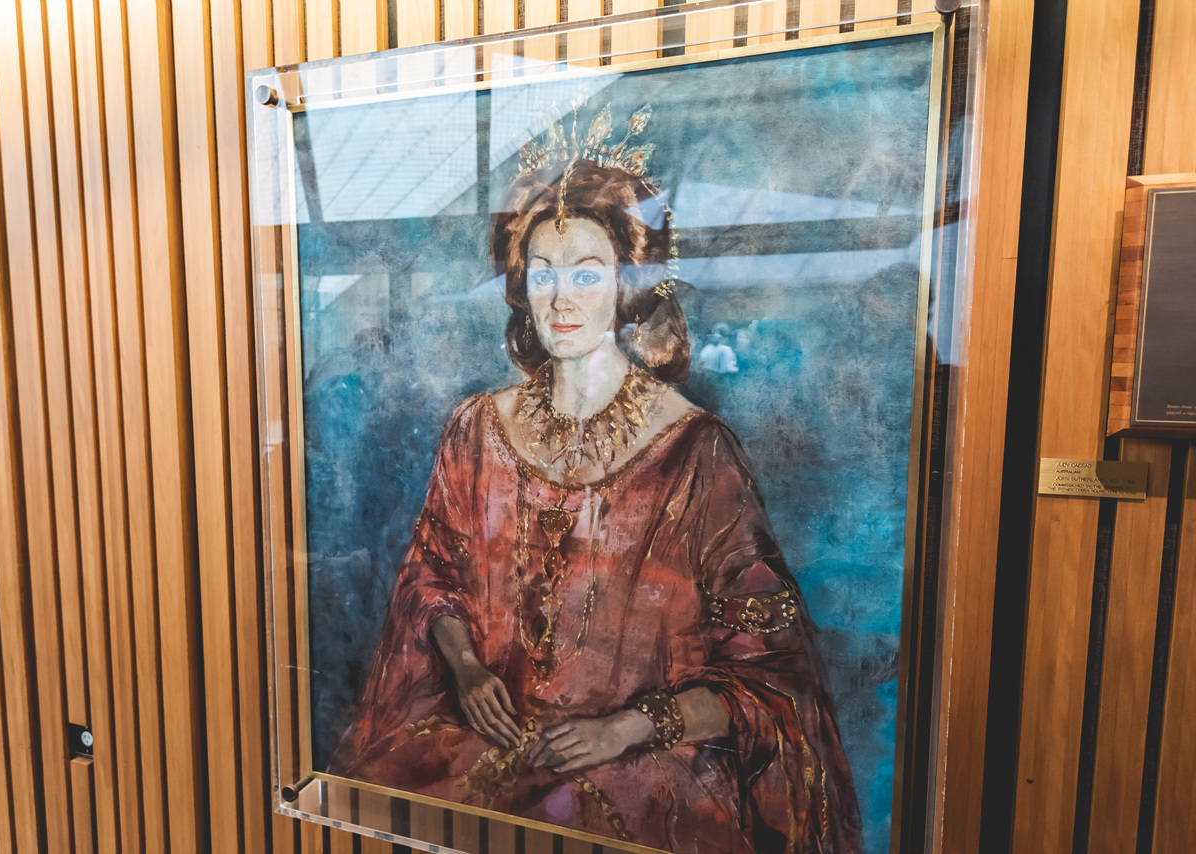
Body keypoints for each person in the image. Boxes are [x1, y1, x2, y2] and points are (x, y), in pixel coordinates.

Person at [328, 103, 862, 854]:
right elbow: (432, 573)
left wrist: (628, 728)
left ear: (626, 285)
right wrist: (469, 669)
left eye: (586, 272)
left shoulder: (693, 450)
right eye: (542, 273)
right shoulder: (476, 427)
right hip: (487, 742)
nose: (561, 298)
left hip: (643, 768)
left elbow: (772, 671)